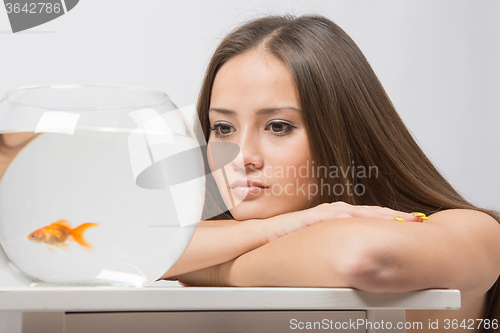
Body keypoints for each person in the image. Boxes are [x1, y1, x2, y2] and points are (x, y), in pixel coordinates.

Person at [161, 14, 500, 332]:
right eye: (223, 128)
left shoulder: (472, 231)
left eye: (278, 126)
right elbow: (119, 245)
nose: (242, 156)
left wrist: (213, 269)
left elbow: (360, 257)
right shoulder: (219, 233)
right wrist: (272, 229)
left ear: (345, 131)